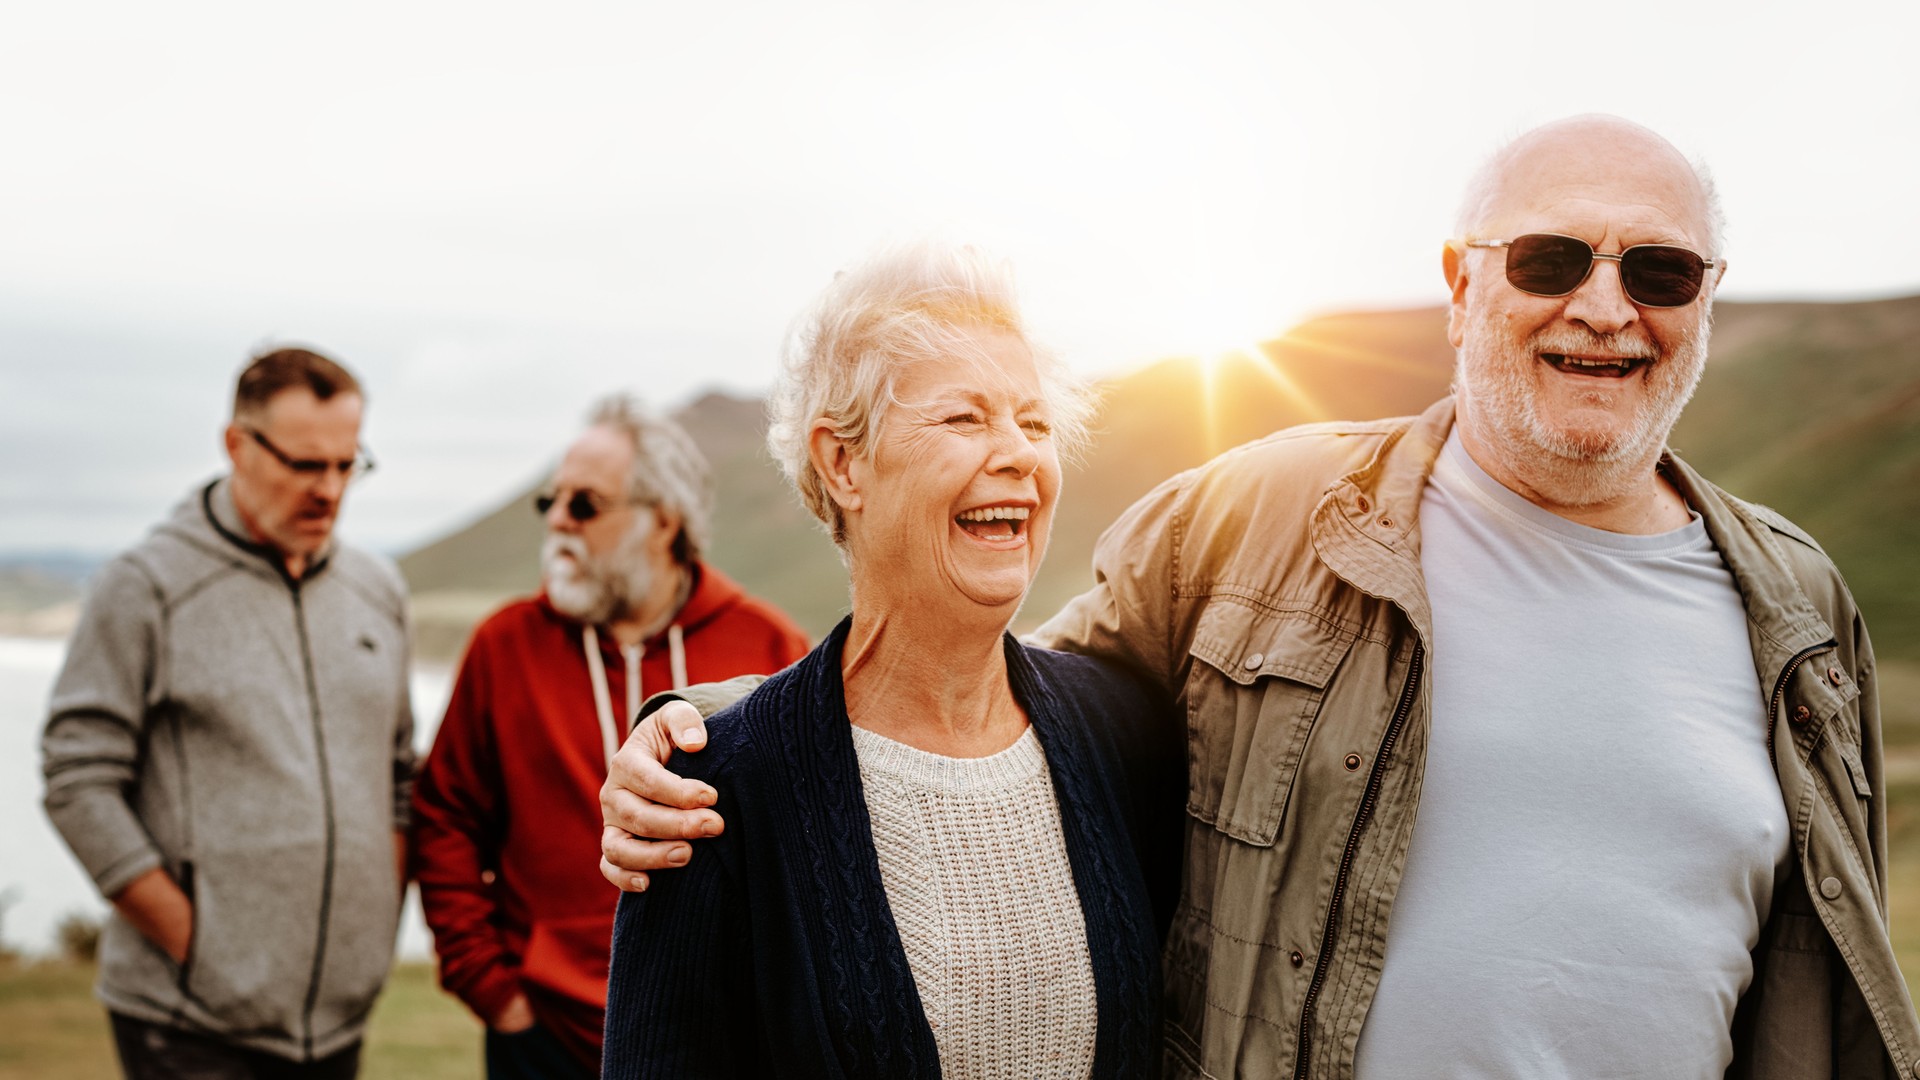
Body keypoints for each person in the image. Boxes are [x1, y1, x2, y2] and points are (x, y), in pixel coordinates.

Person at [599, 116, 1920, 1078]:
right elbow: (984, 691)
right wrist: (717, 729)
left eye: (1659, 271)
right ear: (1462, 283)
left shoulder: (1796, 608)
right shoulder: (1268, 515)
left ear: (1705, 301)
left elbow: (1826, 984)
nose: (1605, 308)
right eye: (1551, 258)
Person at [596, 243, 1184, 1079]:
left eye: (1036, 422)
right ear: (843, 463)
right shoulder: (708, 795)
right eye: (965, 418)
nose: (1018, 452)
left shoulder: (1123, 733)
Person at [407, 394, 810, 1078]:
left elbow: (803, 839)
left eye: (585, 504)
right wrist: (494, 989)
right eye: (552, 502)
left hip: (715, 1041)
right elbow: (444, 815)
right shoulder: (504, 647)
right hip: (543, 1038)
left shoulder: (767, 644)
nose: (559, 520)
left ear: (663, 522)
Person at [41, 347, 412, 1079]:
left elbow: (398, 775)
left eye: (347, 464)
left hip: (338, 1018)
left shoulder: (378, 589)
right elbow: (77, 778)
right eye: (306, 465)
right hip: (190, 1024)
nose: (329, 490)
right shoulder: (145, 586)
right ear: (236, 444)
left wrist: (369, 935)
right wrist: (201, 943)